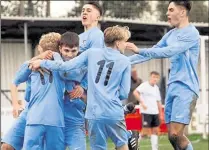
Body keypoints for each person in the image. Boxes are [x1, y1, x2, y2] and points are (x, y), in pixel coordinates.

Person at [30, 25, 132, 150]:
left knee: (98, 147)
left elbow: (66, 67)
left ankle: (129, 134)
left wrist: (41, 62)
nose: (125, 45)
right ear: (117, 43)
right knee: (122, 145)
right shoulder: (125, 61)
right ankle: (130, 135)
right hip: (113, 110)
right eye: (124, 42)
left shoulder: (91, 53)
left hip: (93, 113)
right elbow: (124, 93)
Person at [127, 1, 200, 150]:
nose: (167, 13)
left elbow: (169, 51)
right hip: (172, 87)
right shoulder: (170, 35)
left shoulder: (192, 33)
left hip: (186, 88)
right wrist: (123, 62)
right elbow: (152, 52)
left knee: (175, 134)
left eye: (171, 10)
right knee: (172, 137)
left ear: (182, 12)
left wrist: (139, 50)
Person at [1, 32, 61, 150]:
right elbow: (14, 83)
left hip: (50, 116)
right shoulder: (30, 65)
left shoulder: (60, 67)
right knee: (7, 146)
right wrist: (15, 105)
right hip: (29, 112)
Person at [133, 71, 163, 150]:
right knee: (145, 132)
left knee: (155, 131)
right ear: (150, 77)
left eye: (156, 77)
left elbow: (158, 101)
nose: (155, 79)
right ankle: (134, 146)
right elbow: (135, 92)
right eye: (153, 77)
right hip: (146, 112)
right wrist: (142, 102)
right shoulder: (144, 85)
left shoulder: (156, 88)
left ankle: (154, 148)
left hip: (155, 112)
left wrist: (161, 114)